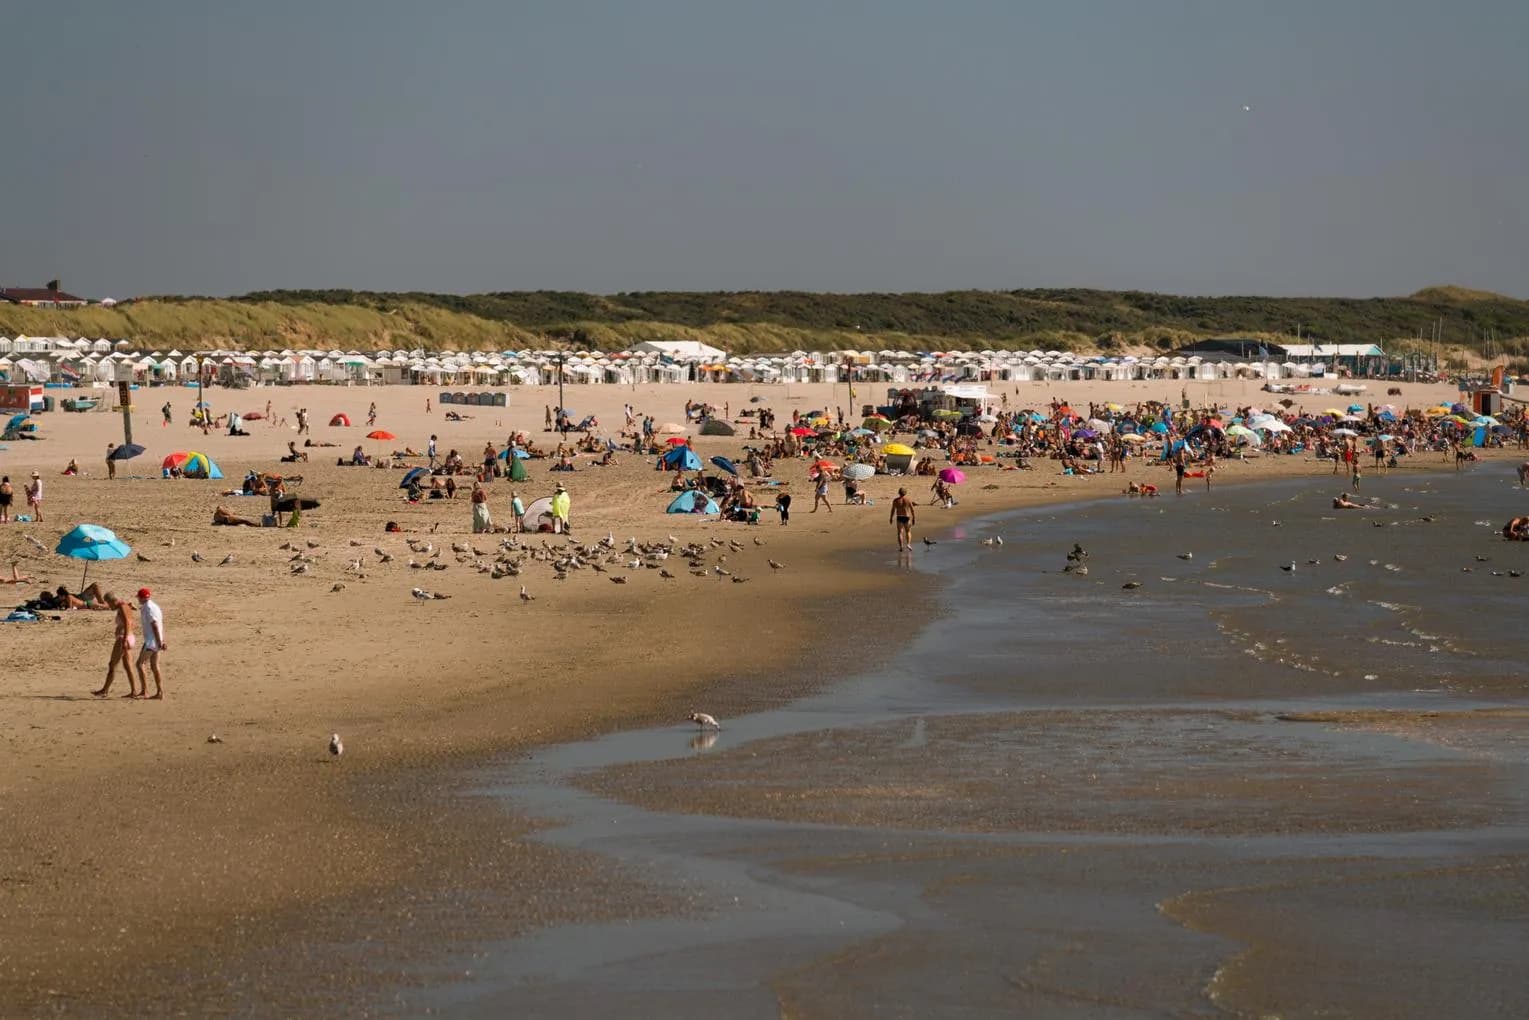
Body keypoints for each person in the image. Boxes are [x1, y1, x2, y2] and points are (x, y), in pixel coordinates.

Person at [92, 592, 140, 698]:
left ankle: (105, 690)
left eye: (109, 603)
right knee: (127, 666)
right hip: (129, 637)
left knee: (112, 665)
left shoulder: (122, 607)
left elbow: (127, 622)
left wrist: (124, 639)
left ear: (114, 601)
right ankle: (134, 691)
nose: (109, 606)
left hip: (123, 638)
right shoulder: (125, 605)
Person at [136, 588, 167, 699]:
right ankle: (160, 692)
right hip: (156, 640)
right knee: (154, 666)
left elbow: (154, 625)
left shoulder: (148, 608)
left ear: (142, 598)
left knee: (140, 664)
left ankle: (145, 691)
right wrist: (162, 641)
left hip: (151, 642)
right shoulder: (154, 606)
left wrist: (159, 642)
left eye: (139, 597)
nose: (138, 599)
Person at [891, 487, 916, 551]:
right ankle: (908, 544)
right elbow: (912, 510)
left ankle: (901, 546)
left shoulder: (895, 500)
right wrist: (914, 518)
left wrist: (891, 518)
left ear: (899, 492)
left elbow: (893, 510)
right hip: (907, 517)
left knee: (900, 533)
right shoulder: (908, 500)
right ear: (905, 493)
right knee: (908, 531)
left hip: (899, 517)